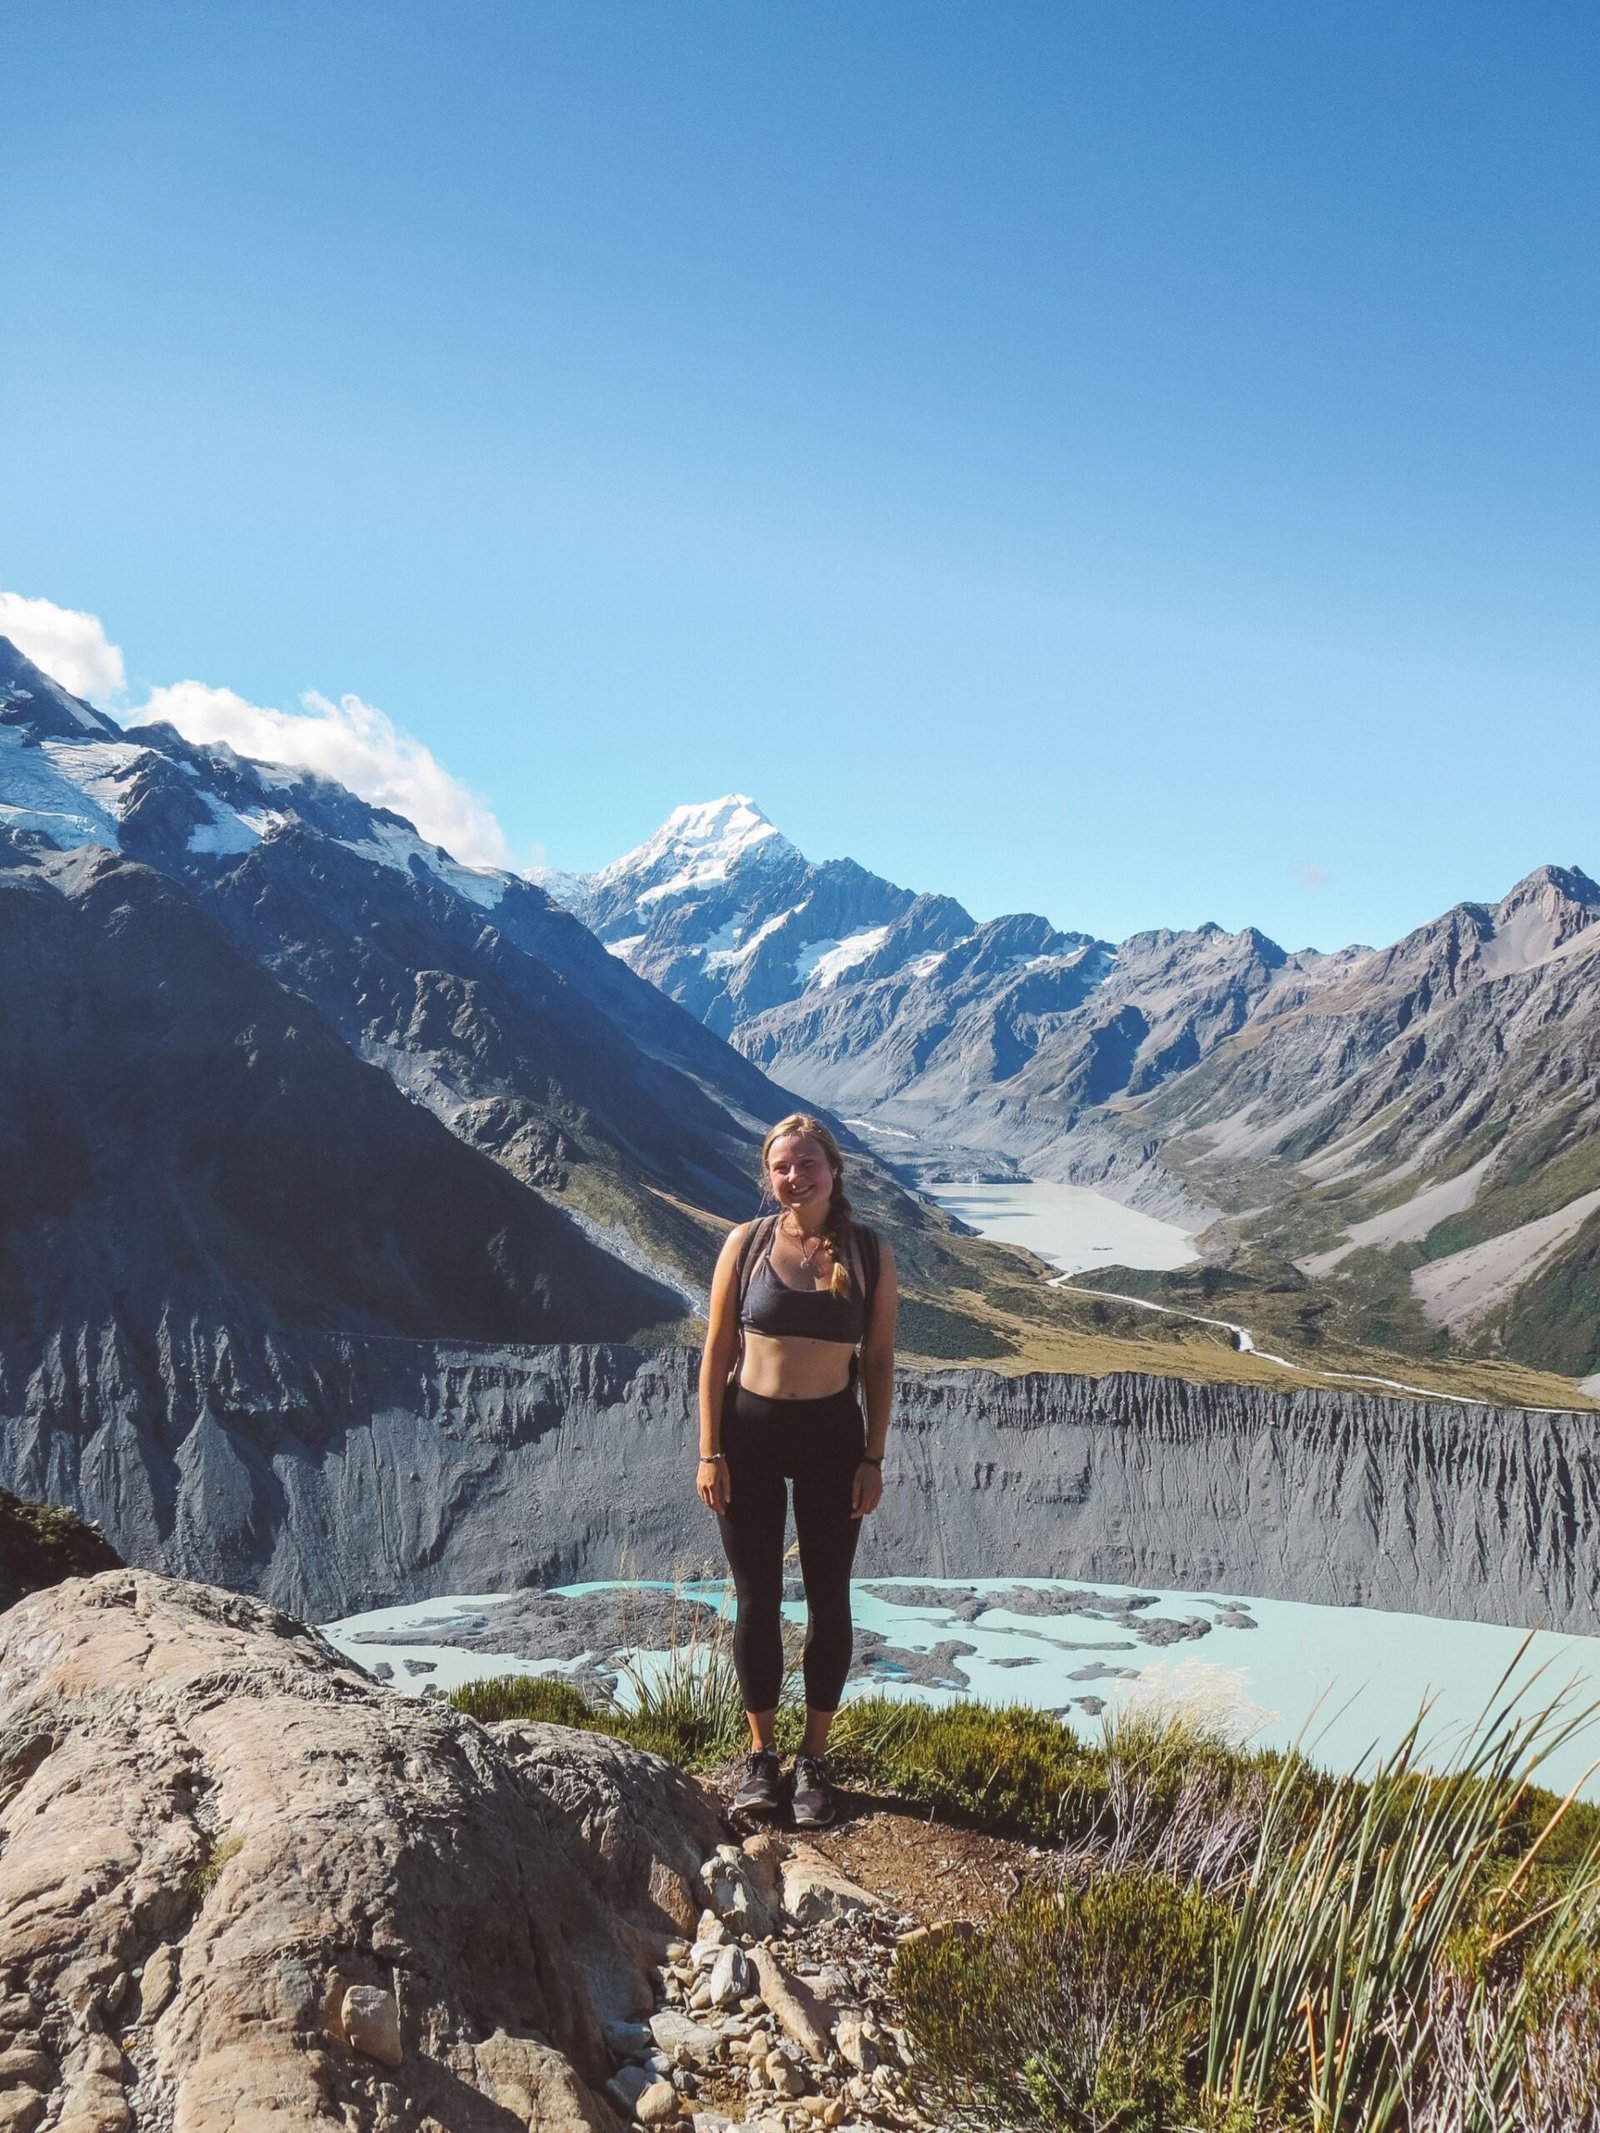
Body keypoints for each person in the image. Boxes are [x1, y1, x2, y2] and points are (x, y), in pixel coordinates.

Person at [697, 1112, 898, 1828]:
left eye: (808, 1163)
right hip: (749, 1433)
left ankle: (813, 1760)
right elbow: (717, 1348)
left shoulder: (870, 1251)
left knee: (828, 1596)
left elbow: (877, 1362)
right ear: (768, 1173)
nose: (795, 1176)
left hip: (832, 1438)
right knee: (755, 1597)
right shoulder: (744, 1245)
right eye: (782, 1165)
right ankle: (761, 1758)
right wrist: (709, 1450)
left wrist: (873, 1456)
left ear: (834, 1169)